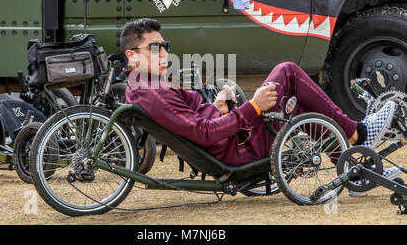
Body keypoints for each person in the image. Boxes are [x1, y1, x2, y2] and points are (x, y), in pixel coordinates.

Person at [122, 18, 400, 182]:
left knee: (292, 96)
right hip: (238, 151)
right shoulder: (153, 93)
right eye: (155, 47)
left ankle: (352, 164)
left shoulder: (146, 87)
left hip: (234, 142)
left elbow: (199, 125)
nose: (163, 53)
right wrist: (252, 107)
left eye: (165, 46)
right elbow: (204, 134)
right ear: (131, 56)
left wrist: (217, 107)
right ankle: (357, 134)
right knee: (288, 72)